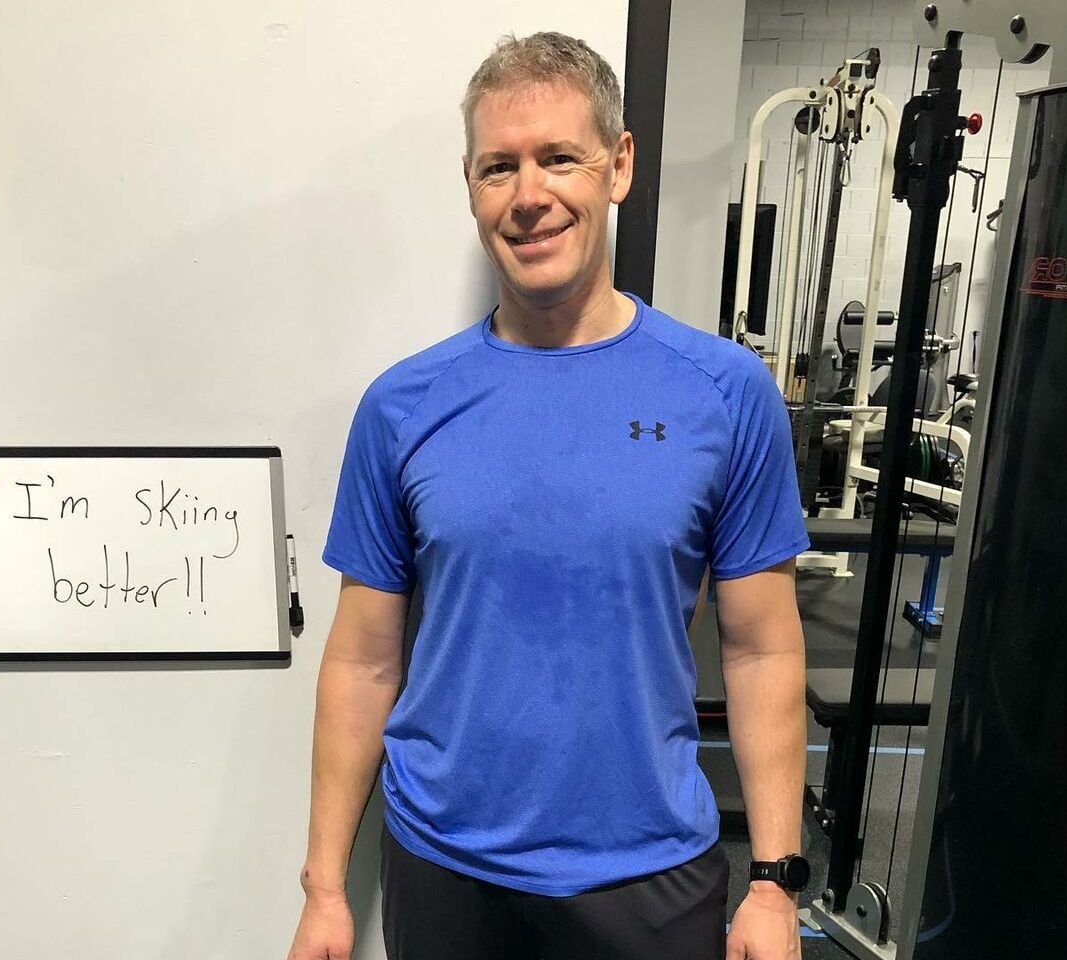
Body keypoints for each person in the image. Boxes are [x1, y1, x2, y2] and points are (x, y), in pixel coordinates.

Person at [288, 31, 810, 960]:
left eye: (558, 158)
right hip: (446, 868)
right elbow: (363, 661)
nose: (528, 196)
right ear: (471, 186)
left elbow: (763, 647)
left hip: (649, 874)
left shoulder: (724, 394)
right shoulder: (402, 407)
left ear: (618, 166)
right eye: (499, 168)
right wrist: (326, 886)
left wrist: (773, 881)